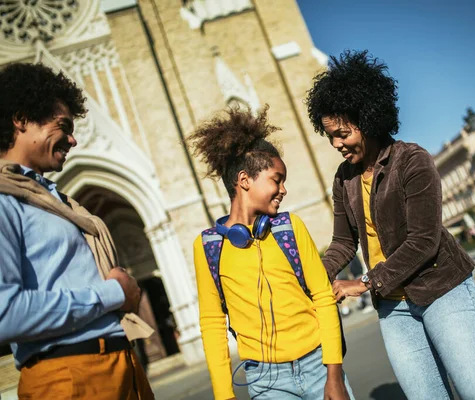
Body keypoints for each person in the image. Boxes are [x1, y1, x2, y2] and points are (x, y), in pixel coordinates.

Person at [305, 50, 475, 399]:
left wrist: (365, 282)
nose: (336, 144)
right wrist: (311, 275)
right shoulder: (344, 179)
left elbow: (424, 240)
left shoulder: (412, 160)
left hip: (442, 290)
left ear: (367, 120)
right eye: (330, 137)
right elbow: (343, 243)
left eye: (342, 133)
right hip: (393, 308)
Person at [0, 63, 154, 399]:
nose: (73, 139)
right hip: (69, 378)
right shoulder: (4, 200)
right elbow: (4, 313)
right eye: (64, 127)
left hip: (120, 366)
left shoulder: (51, 197)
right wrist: (113, 293)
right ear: (22, 119)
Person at [190, 107, 354, 400]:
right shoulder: (208, 247)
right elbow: (212, 323)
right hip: (265, 381)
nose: (284, 189)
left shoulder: (290, 227)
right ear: (244, 180)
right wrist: (224, 396)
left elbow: (323, 298)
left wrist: (334, 376)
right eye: (276, 180)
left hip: (319, 365)